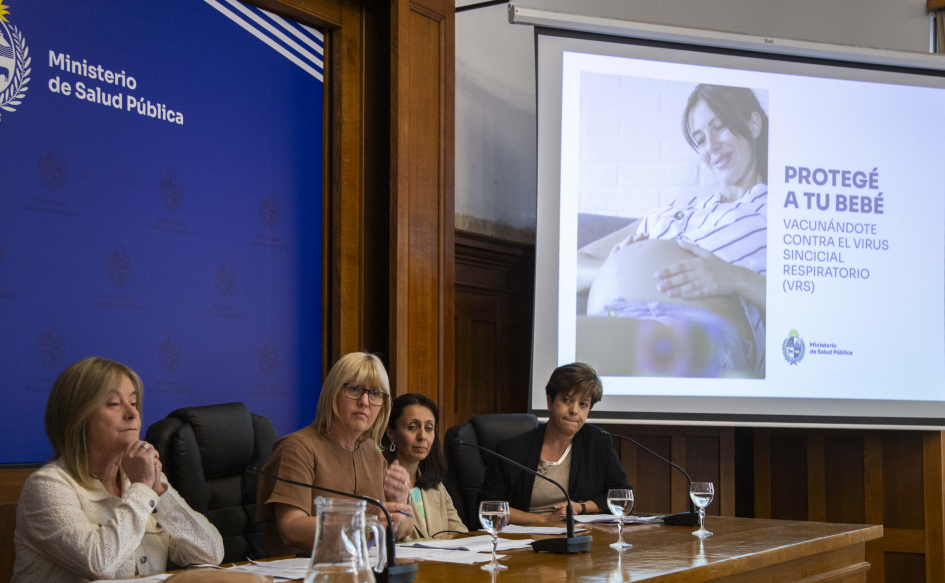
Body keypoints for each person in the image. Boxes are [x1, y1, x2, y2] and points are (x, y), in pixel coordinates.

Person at [580, 84, 768, 376]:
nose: (712, 146)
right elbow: (574, 263)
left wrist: (736, 278)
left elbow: (814, 305)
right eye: (701, 139)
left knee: (571, 357)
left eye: (720, 127)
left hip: (701, 331)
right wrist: (612, 268)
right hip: (618, 318)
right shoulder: (674, 209)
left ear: (754, 124)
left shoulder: (780, 211)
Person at [12, 357, 224, 583]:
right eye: (114, 403)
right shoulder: (47, 486)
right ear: (78, 417)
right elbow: (99, 564)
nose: (133, 414)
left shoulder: (141, 479)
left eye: (133, 403)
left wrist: (159, 491)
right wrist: (143, 489)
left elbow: (211, 554)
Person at [256, 352, 415, 555]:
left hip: (362, 567)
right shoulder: (298, 447)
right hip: (305, 569)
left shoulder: (374, 454)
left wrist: (401, 505)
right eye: (355, 389)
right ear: (333, 392)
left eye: (375, 393)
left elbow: (401, 532)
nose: (365, 401)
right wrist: (363, 524)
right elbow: (291, 528)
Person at [478, 363, 630, 524]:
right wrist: (545, 520)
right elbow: (490, 507)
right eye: (567, 400)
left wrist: (581, 507)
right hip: (524, 540)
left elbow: (623, 496)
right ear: (550, 402)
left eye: (583, 404)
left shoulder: (597, 442)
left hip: (581, 538)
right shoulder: (512, 450)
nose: (574, 410)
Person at [384, 394, 468, 539]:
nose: (422, 436)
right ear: (391, 434)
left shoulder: (437, 487)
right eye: (412, 427)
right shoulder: (381, 483)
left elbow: (461, 535)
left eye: (429, 428)